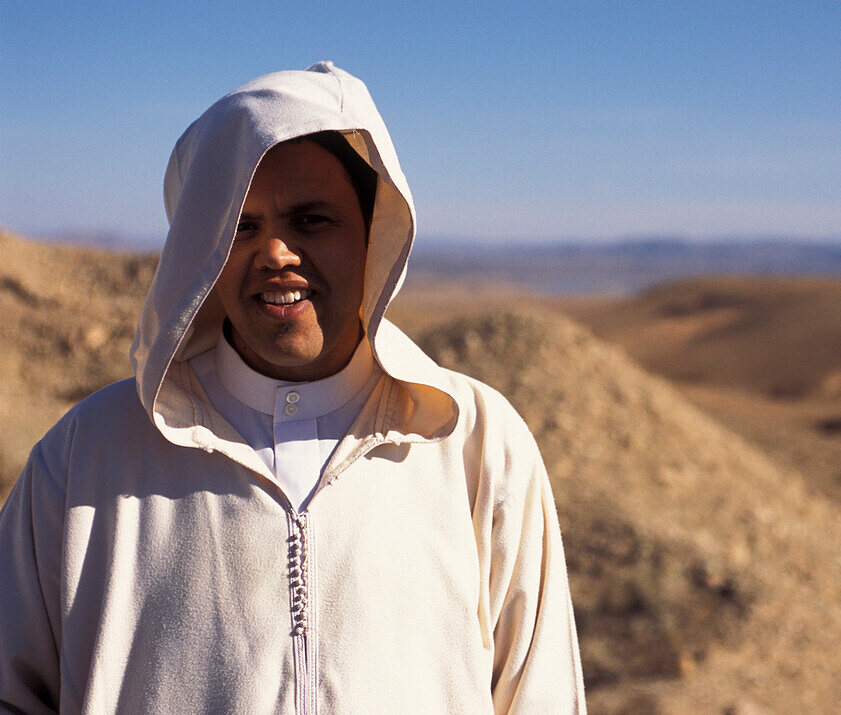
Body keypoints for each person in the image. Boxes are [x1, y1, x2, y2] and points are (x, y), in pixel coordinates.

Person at [0, 62, 585, 713]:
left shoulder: (474, 441)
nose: (275, 252)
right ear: (202, 248)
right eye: (241, 226)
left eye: (311, 221)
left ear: (373, 235)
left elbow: (542, 696)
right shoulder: (86, 456)